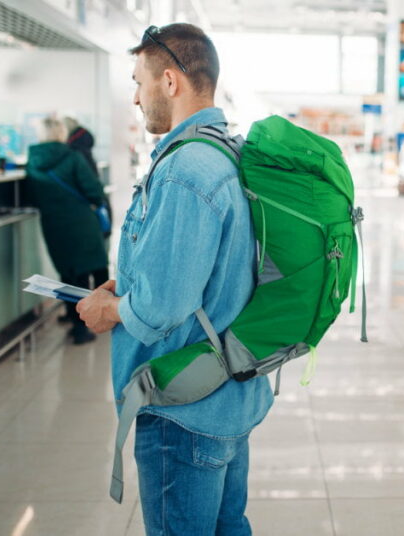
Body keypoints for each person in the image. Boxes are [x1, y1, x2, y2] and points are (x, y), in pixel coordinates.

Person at [75, 23, 272, 535]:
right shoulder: (231, 153)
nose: (136, 99)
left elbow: (164, 306)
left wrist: (110, 309)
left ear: (169, 81)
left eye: (138, 83)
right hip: (229, 392)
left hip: (184, 409)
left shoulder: (187, 171)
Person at [26, 116, 109, 345]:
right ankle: (93, 320)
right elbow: (93, 190)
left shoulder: (32, 162)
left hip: (53, 224)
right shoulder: (72, 157)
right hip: (81, 222)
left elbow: (32, 196)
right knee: (91, 269)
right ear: (61, 133)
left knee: (67, 274)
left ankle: (75, 322)